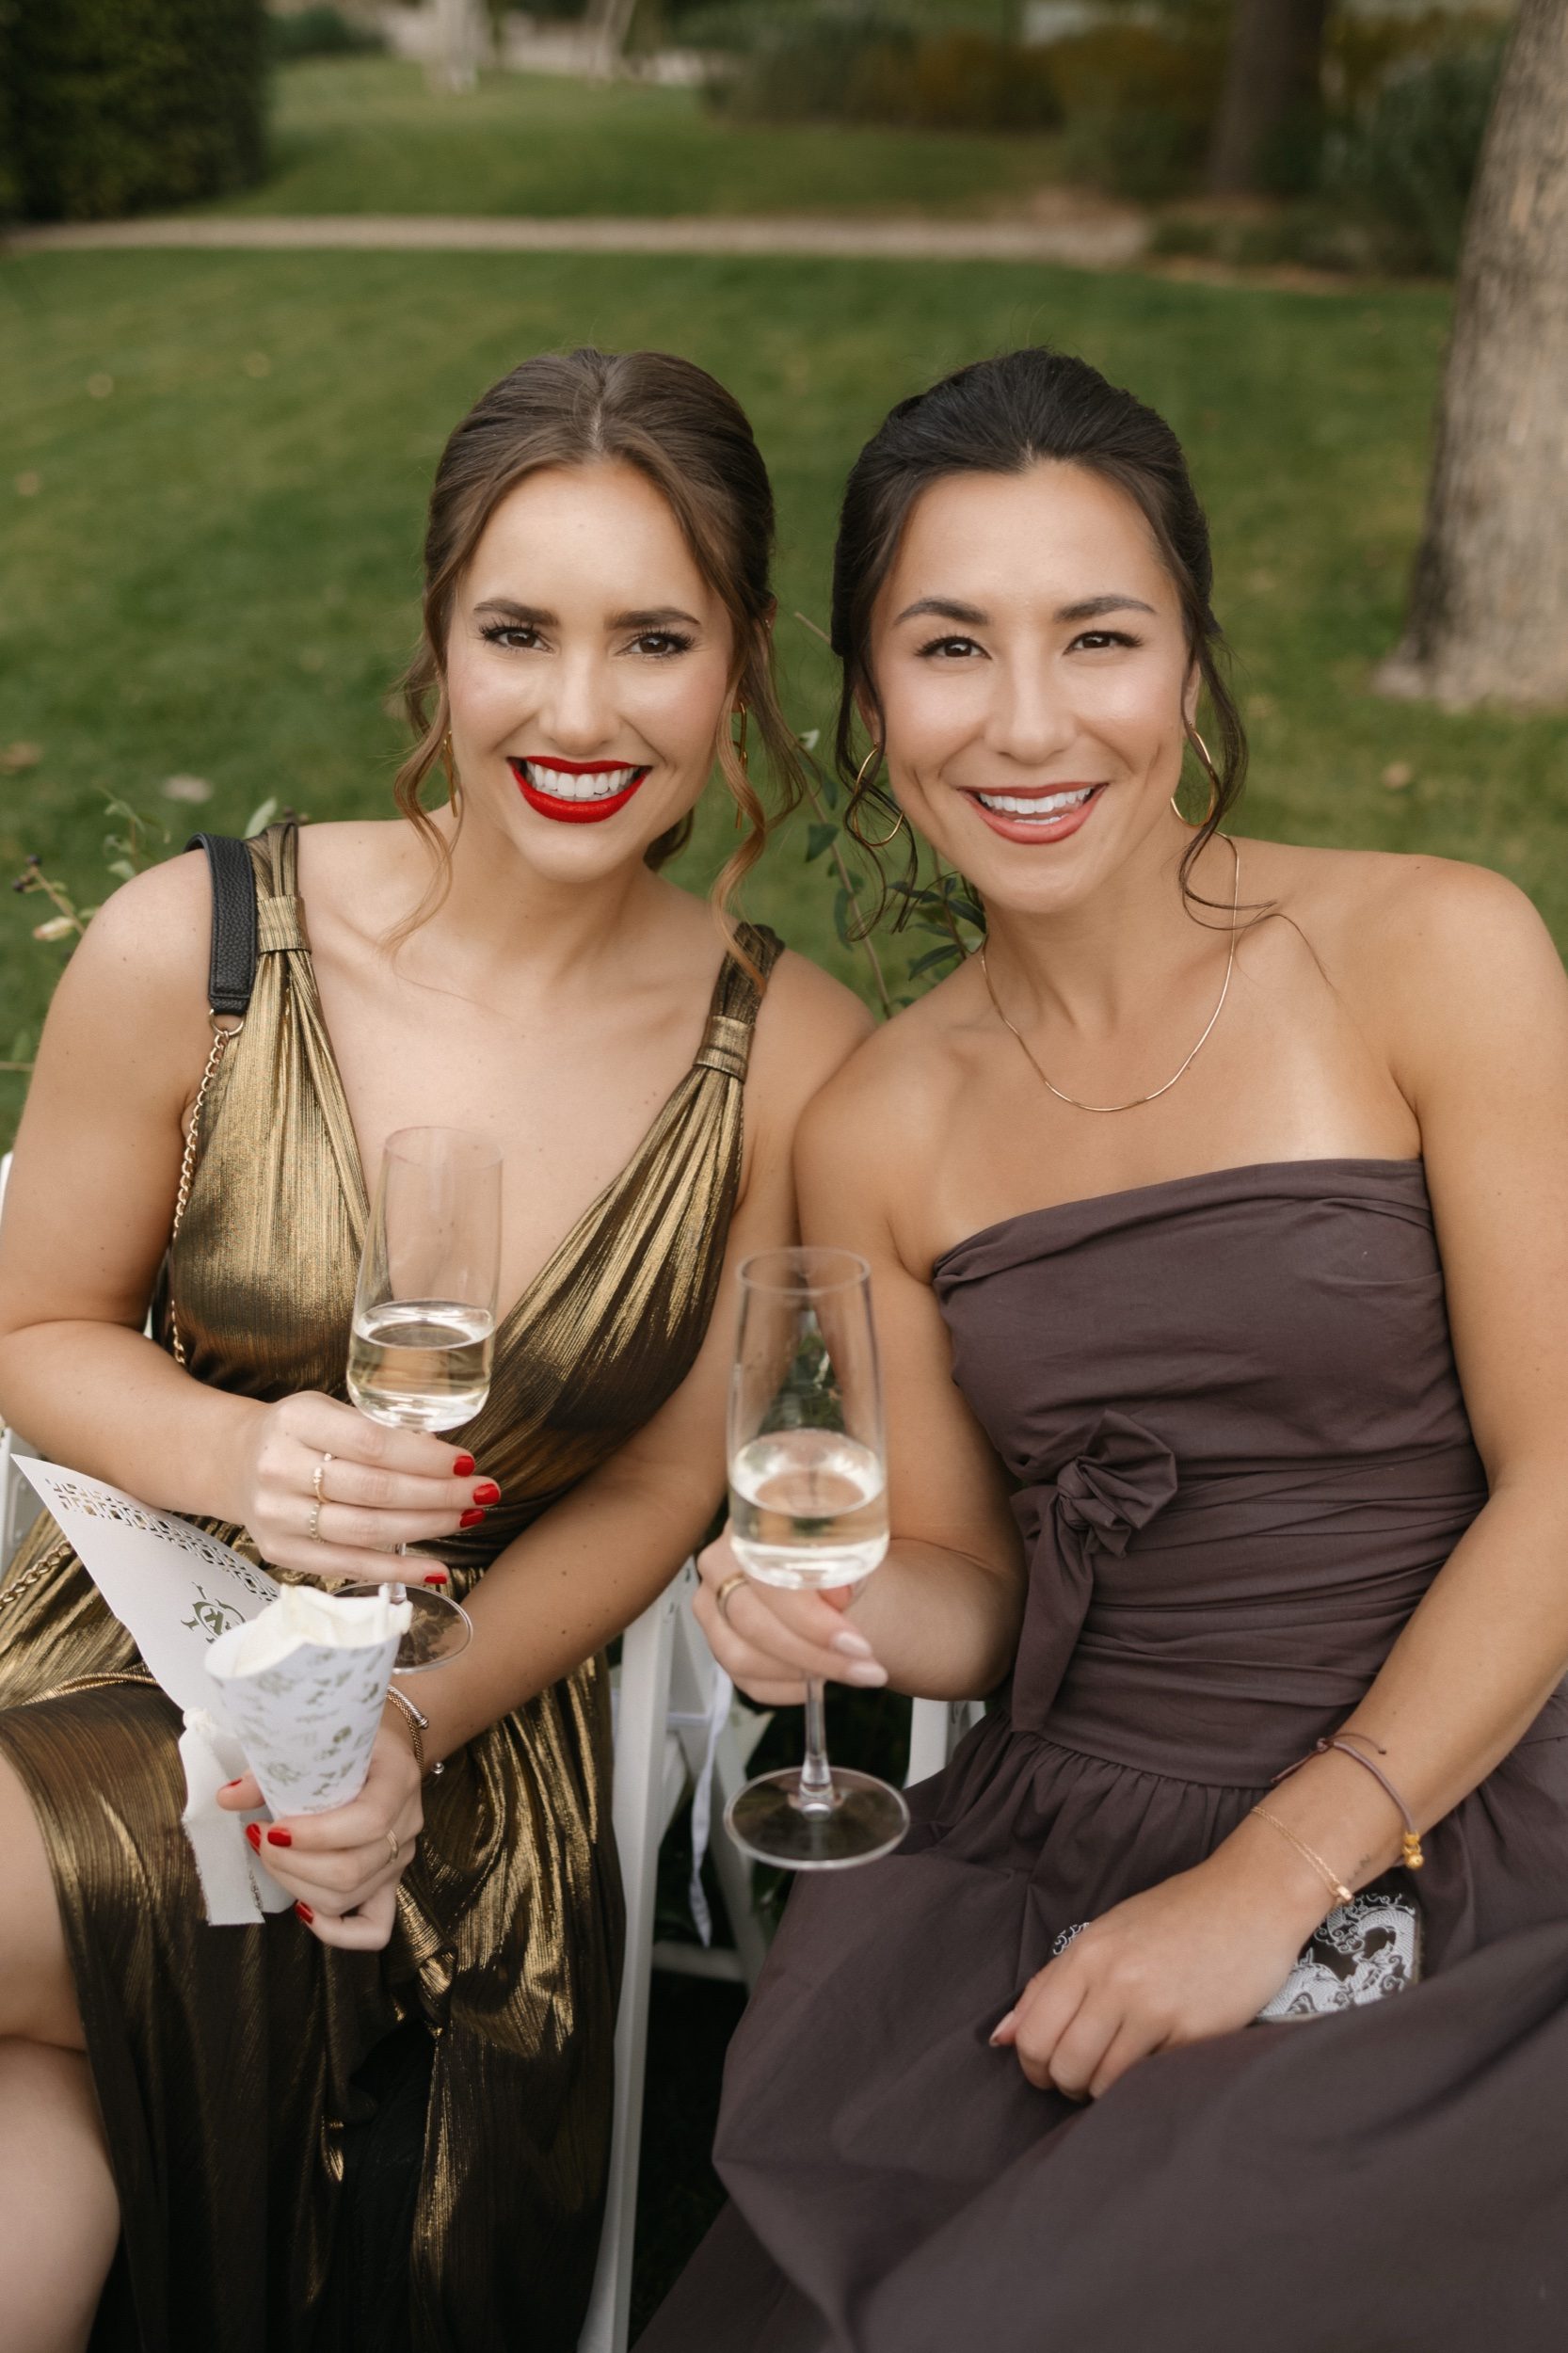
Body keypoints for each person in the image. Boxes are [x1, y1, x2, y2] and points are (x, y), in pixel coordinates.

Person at [642, 346, 1568, 2352]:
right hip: (1081, 1828)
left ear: (1189, 665)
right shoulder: (876, 1120)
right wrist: (837, 1609)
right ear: (869, 698)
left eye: (1099, 636)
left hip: (1474, 1800)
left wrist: (1274, 1878)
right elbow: (981, 1592)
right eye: (949, 645)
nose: (1029, 720)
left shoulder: (1432, 951)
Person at [0, 346, 870, 2353]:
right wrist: (238, 1457)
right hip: (116, 1643)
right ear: (437, 647)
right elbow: (35, 1328)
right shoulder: (198, 945)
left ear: (740, 662)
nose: (577, 711)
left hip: (448, 1757)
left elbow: (669, 1474)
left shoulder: (785, 1051)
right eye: (517, 631)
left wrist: (408, 1720)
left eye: (652, 637)